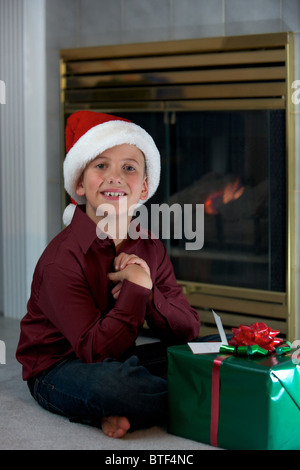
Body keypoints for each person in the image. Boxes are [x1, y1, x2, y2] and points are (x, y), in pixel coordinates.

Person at [16, 111, 200, 438]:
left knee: (202, 353)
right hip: (60, 366)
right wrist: (136, 289)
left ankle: (121, 410)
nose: (115, 177)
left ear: (143, 187)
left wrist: (151, 294)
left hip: (122, 354)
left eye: (128, 168)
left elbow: (188, 329)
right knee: (116, 385)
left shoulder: (150, 247)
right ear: (79, 184)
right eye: (101, 166)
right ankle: (195, 398)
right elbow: (96, 351)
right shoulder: (62, 259)